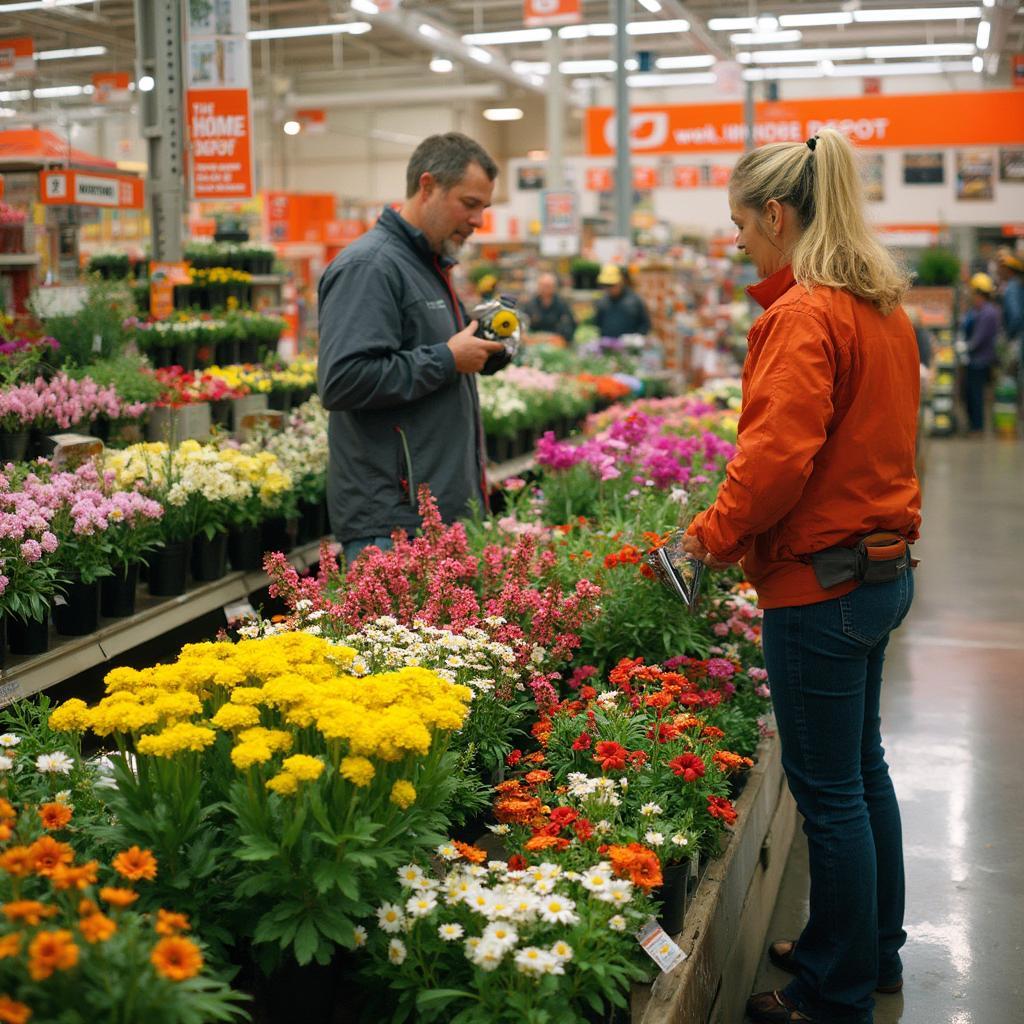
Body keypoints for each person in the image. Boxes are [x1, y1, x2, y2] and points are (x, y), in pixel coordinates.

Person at [681, 128, 921, 1024]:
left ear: (776, 214)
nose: (738, 239)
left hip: (819, 586)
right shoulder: (883, 307)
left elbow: (775, 462)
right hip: (879, 571)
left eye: (741, 222)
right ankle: (865, 952)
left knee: (830, 792)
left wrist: (706, 538)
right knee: (863, 771)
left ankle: (834, 993)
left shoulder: (803, 315)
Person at [317, 132, 508, 563]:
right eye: (469, 203)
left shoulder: (428, 265)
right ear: (427, 187)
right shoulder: (370, 267)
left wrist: (488, 351)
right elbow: (342, 380)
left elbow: (438, 356)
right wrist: (447, 358)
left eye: (484, 207)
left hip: (437, 517)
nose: (479, 220)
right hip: (392, 526)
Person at [961, 272, 1000, 434]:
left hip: (980, 360)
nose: (972, 296)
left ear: (980, 293)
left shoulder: (988, 313)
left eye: (974, 293)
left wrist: (965, 347)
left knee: (976, 395)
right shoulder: (979, 310)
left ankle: (977, 427)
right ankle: (975, 425)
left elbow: (979, 338)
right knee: (970, 393)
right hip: (975, 359)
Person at [593, 263, 650, 338]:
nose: (609, 289)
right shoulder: (602, 302)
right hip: (608, 346)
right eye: (606, 285)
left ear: (621, 282)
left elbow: (645, 324)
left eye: (612, 285)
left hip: (629, 346)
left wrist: (636, 340)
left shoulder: (634, 300)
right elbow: (598, 324)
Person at [523, 272, 577, 344]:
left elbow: (570, 325)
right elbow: (523, 324)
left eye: (548, 286)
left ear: (554, 287)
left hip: (556, 343)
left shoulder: (562, 305)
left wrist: (561, 338)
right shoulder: (530, 305)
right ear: (538, 286)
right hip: (534, 342)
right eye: (543, 286)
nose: (545, 289)